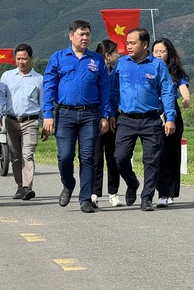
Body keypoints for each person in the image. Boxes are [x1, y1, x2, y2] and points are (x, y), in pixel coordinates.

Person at [42, 20, 111, 213]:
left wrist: (105, 115)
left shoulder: (97, 60)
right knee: (65, 156)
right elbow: (49, 87)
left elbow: (105, 88)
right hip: (65, 114)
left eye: (88, 34)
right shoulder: (57, 58)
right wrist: (48, 114)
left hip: (90, 114)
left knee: (88, 157)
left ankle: (85, 198)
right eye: (81, 34)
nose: (85, 38)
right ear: (71, 35)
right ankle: (68, 183)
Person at [111, 28, 177, 212]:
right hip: (126, 119)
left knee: (151, 160)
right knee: (120, 158)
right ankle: (132, 183)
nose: (128, 46)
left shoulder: (157, 65)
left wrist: (170, 118)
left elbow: (167, 92)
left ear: (145, 44)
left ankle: (147, 197)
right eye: (127, 42)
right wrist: (109, 114)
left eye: (133, 43)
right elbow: (113, 91)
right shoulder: (122, 63)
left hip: (151, 119)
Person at [0, 43, 43, 201]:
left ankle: (27, 187)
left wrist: (48, 123)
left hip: (30, 121)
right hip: (11, 121)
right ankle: (19, 186)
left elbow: (43, 103)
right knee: (15, 156)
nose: (21, 62)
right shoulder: (7, 76)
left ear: (31, 59)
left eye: (24, 58)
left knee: (27, 154)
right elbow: (1, 97)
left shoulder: (39, 79)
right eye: (18, 59)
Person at [152, 38, 190, 208]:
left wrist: (186, 98)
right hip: (153, 111)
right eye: (156, 51)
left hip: (172, 112)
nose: (159, 54)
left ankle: (171, 192)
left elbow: (182, 87)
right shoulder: (148, 68)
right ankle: (162, 191)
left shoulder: (174, 71)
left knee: (173, 153)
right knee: (159, 154)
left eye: (162, 51)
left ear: (169, 53)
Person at [92, 40, 124, 207]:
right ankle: (94, 193)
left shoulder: (116, 71)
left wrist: (113, 114)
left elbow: (116, 94)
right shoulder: (94, 71)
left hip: (114, 117)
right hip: (96, 117)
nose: (118, 55)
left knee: (113, 157)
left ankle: (113, 192)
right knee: (96, 158)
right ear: (107, 55)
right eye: (115, 52)